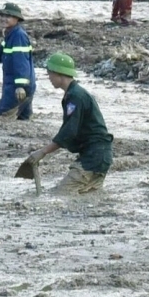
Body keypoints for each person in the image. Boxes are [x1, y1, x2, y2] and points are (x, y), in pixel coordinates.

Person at [24, 53, 114, 195]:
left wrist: (43, 152)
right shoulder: (75, 94)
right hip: (100, 156)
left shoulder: (75, 96)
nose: (49, 78)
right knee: (87, 196)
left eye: (50, 74)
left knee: (62, 194)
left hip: (93, 157)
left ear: (59, 74)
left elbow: (68, 132)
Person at [0, 2, 34, 120]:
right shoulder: (9, 35)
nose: (3, 19)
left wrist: (20, 86)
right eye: (2, 16)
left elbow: (21, 62)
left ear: (17, 19)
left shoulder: (18, 36)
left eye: (8, 16)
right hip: (18, 85)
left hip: (18, 87)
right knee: (23, 120)